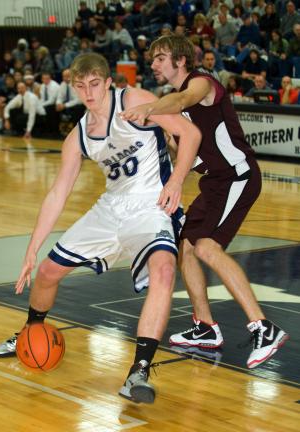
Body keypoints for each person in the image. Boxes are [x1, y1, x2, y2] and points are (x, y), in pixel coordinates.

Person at [0, 52, 201, 404]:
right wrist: (32, 248)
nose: (88, 93)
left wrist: (177, 181)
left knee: (164, 271)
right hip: (109, 208)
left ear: (108, 82)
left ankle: (139, 371)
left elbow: (190, 133)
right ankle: (30, 332)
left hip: (151, 205)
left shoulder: (135, 100)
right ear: (73, 87)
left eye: (94, 85)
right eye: (80, 86)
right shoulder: (79, 137)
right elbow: (58, 192)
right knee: (46, 272)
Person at [119, 34, 289, 369]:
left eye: (160, 57)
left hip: (237, 176)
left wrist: (150, 108)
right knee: (187, 247)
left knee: (207, 247)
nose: (153, 64)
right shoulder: (177, 107)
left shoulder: (201, 84)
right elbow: (189, 151)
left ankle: (263, 328)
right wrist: (164, 137)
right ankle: (205, 327)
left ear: (180, 59)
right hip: (214, 182)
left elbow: (184, 98)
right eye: (152, 59)